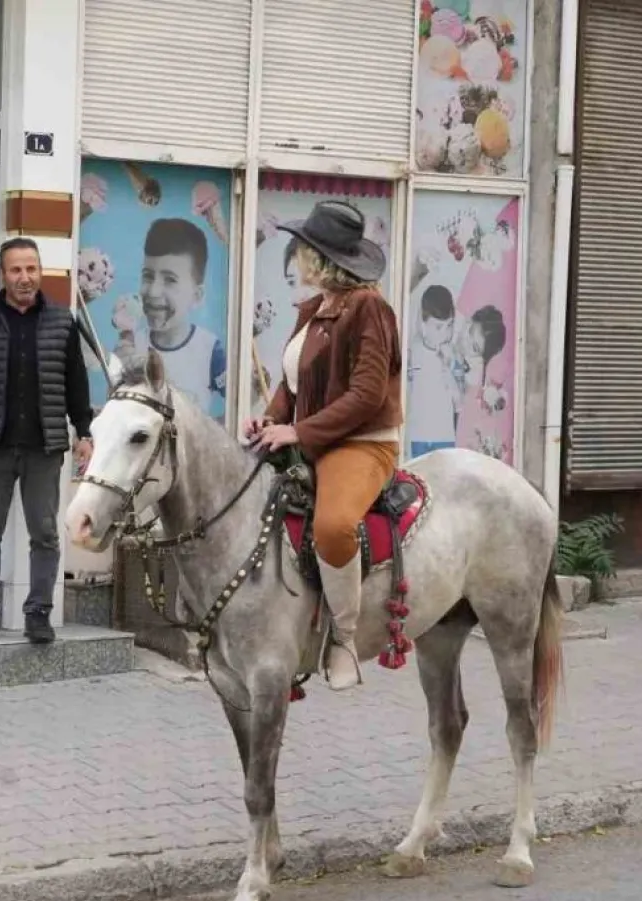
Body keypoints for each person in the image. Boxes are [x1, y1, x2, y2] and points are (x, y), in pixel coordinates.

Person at [243, 200, 404, 692]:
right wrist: (270, 420)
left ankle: (345, 640)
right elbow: (292, 385)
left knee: (333, 525)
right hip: (315, 439)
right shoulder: (313, 309)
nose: (297, 256)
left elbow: (367, 394)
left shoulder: (370, 308)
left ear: (319, 256)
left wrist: (299, 432)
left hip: (362, 443)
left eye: (303, 248)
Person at [0, 238, 95, 644]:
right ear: (3, 275)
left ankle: (38, 613)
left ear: (40, 271)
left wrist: (84, 431)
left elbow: (76, 382)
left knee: (45, 534)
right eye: (15, 270)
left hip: (44, 446)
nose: (24, 277)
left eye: (31, 269)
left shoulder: (63, 321)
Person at [112, 218, 227, 422]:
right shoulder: (131, 348)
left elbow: (240, 401)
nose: (154, 291)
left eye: (170, 280)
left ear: (197, 295)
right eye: (148, 276)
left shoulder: (210, 351)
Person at [406, 284, 461, 459]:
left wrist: (448, 372)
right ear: (423, 324)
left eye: (449, 325)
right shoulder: (412, 353)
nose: (445, 334)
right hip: (417, 437)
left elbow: (459, 402)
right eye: (438, 327)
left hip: (444, 437)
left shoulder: (452, 355)